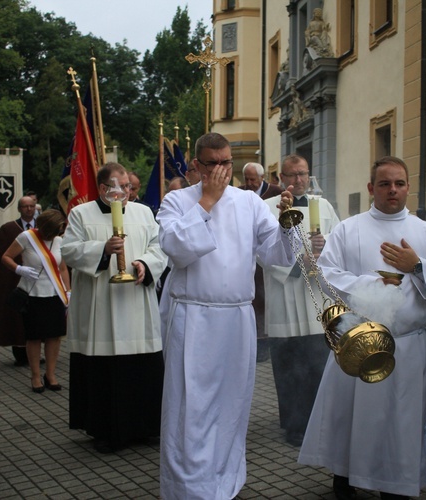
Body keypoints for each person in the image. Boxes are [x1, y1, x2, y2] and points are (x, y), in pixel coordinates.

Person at [298, 156, 426, 500]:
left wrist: (416, 266)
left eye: (400, 183)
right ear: (372, 188)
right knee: (350, 414)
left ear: (408, 188)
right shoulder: (349, 228)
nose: (393, 190)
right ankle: (345, 474)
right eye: (385, 184)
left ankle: (396, 482)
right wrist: (375, 283)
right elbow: (326, 274)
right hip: (359, 340)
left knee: (399, 421)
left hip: (407, 345)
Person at [156, 132, 296, 499]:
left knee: (231, 406)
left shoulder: (249, 203)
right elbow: (175, 249)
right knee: (190, 410)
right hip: (193, 317)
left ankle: (223, 483)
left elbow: (276, 256)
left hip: (236, 319)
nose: (221, 171)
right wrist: (206, 202)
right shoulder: (177, 201)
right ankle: (188, 490)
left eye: (226, 163)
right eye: (213, 164)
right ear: (197, 166)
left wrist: (285, 225)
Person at [62, 162, 167, 454]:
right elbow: (69, 250)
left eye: (127, 187)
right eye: (115, 187)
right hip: (101, 307)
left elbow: (159, 247)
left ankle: (146, 426)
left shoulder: (143, 212)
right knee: (104, 370)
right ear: (102, 188)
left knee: (141, 368)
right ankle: (105, 431)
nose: (122, 193)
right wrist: (102, 250)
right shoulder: (82, 214)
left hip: (136, 302)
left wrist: (145, 264)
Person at [262, 154, 340, 446]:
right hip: (285, 294)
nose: (298, 180)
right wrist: (299, 263)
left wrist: (324, 248)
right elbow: (263, 250)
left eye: (303, 174)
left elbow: (337, 239)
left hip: (315, 296)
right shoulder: (267, 208)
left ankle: (321, 419)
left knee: (317, 362)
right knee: (288, 364)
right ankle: (294, 425)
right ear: (281, 178)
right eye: (292, 175)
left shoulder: (325, 206)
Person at [1, 209, 70, 393]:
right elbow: (6, 257)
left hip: (55, 294)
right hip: (33, 294)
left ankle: (51, 374)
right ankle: (36, 376)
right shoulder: (27, 237)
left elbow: (62, 268)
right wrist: (19, 269)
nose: (58, 232)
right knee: (34, 336)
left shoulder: (59, 240)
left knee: (54, 335)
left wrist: (68, 291)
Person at [240, 162, 283, 362]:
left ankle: (264, 341)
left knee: (264, 299)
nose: (249, 183)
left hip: (266, 254)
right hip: (247, 256)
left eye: (253, 179)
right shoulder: (239, 194)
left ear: (262, 178)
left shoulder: (275, 193)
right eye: (246, 179)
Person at [0, 196, 37, 367]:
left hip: (39, 280)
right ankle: (20, 351)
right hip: (18, 278)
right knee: (17, 317)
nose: (29, 209)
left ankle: (35, 351)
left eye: (32, 206)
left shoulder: (43, 227)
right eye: (25, 206)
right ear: (19, 209)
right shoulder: (8, 229)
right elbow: (3, 259)